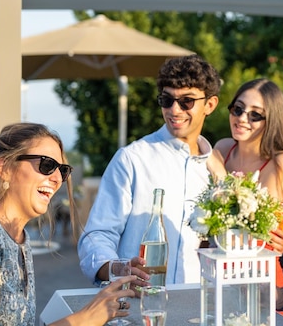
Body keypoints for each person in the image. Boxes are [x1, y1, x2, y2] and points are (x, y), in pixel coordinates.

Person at [0, 122, 137, 325]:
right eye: (46, 165)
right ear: (4, 167)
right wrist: (83, 320)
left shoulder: (19, 237)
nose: (57, 178)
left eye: (62, 171)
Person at [78, 54, 222, 288]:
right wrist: (117, 268)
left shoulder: (215, 171)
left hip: (197, 306)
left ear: (210, 104)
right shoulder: (132, 159)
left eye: (186, 101)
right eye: (166, 100)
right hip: (138, 304)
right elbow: (98, 235)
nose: (174, 110)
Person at [206, 78, 283, 309]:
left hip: (262, 288)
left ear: (271, 120)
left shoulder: (281, 163)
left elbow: (254, 234)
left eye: (255, 115)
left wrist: (219, 173)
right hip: (217, 280)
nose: (242, 118)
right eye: (238, 109)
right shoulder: (223, 148)